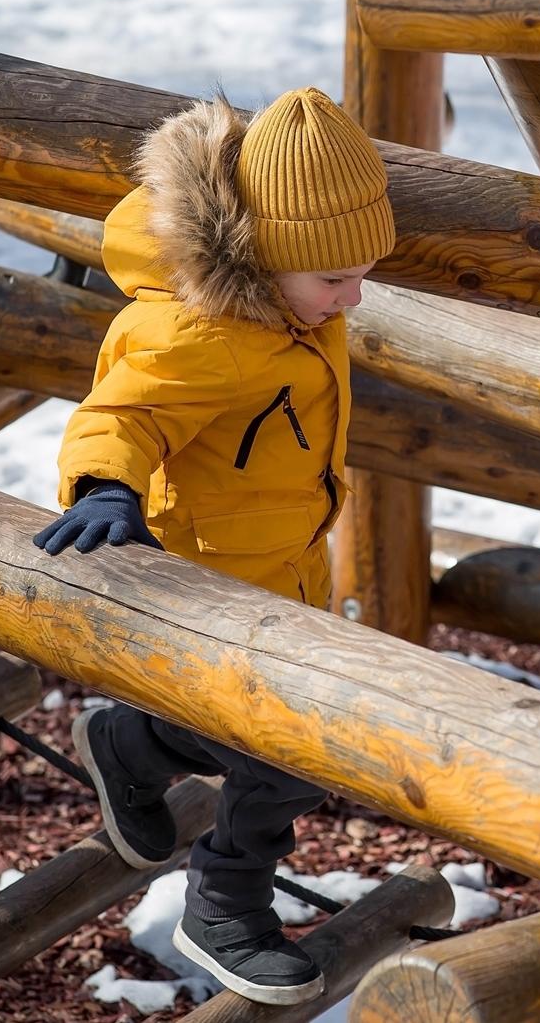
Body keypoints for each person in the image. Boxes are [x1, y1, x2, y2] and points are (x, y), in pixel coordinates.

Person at [33, 85, 392, 1005]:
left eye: (360, 275)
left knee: (273, 741)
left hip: (282, 572)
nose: (353, 298)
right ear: (266, 257)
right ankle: (225, 907)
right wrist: (107, 484)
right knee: (293, 754)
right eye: (335, 279)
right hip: (203, 590)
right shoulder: (197, 330)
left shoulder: (297, 309)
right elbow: (123, 410)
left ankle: (131, 745)